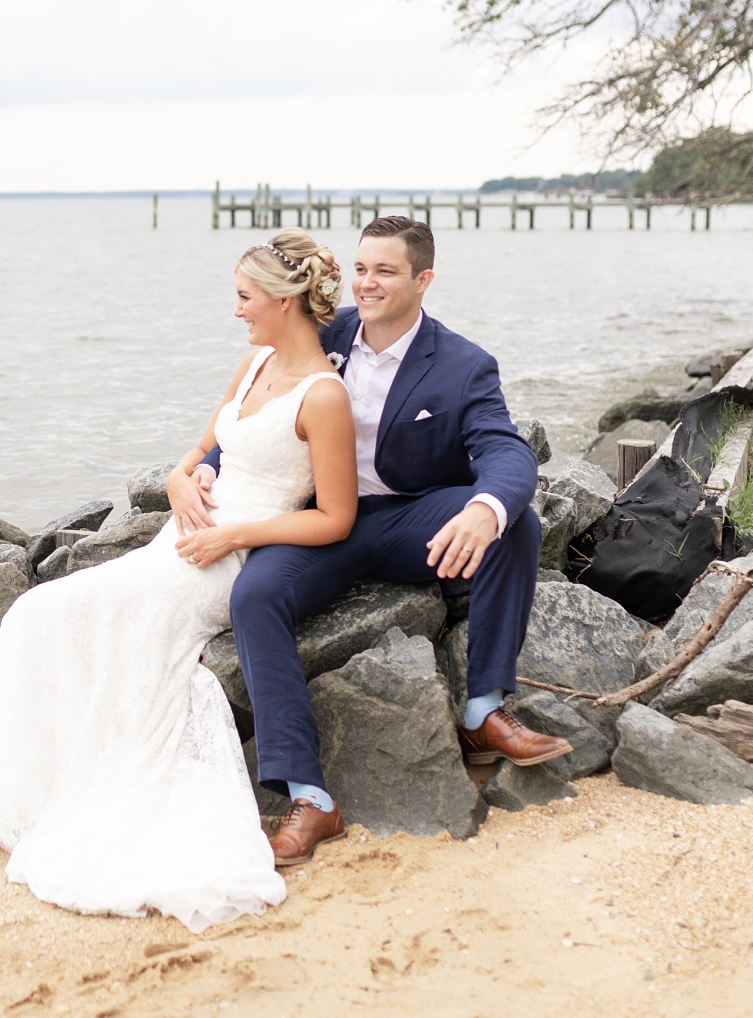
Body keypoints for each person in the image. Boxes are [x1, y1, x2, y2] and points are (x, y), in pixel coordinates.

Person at [0, 229, 359, 933]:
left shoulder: (322, 395)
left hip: (227, 555)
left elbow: (333, 517)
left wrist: (234, 533)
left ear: (283, 299)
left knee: (45, 616)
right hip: (176, 538)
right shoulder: (252, 366)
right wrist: (181, 480)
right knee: (38, 614)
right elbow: (197, 450)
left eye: (243, 297)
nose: (235, 310)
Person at [173, 215, 570, 868]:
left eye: (384, 270)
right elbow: (254, 403)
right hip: (316, 522)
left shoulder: (462, 366)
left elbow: (505, 453)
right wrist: (203, 464)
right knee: (255, 595)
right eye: (360, 268)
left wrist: (483, 508)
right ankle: (308, 796)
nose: (367, 282)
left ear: (423, 280)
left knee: (514, 521)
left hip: (404, 517)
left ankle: (482, 708)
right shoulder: (323, 334)